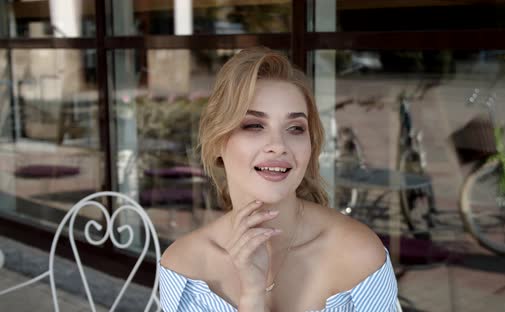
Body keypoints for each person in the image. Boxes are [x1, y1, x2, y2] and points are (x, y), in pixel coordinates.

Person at [159, 47, 398, 312]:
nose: (278, 145)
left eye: (295, 128)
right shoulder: (185, 268)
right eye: (254, 125)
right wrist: (253, 295)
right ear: (216, 142)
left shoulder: (358, 255)